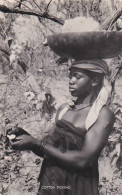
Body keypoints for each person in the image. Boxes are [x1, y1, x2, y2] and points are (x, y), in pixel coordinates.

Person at [7, 59, 115, 195]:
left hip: (78, 188)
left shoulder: (101, 114)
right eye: (70, 76)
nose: (71, 80)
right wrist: (28, 139)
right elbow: (51, 152)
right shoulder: (64, 110)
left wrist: (38, 144)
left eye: (77, 76)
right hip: (51, 184)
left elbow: (84, 160)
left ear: (94, 81)